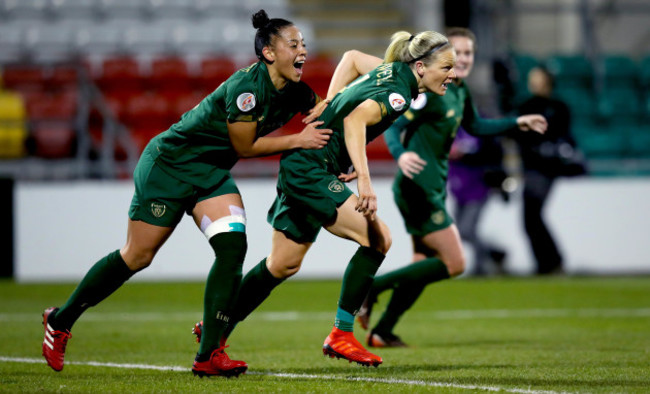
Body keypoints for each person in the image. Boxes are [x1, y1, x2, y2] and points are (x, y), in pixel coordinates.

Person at [41, 10, 334, 378]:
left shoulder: (298, 91)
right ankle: (61, 320)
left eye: (304, 44)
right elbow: (243, 146)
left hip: (209, 175)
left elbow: (327, 117)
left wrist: (342, 157)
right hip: (168, 166)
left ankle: (208, 354)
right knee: (137, 255)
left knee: (233, 247)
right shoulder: (246, 88)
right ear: (269, 53)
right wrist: (299, 140)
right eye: (294, 44)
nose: (303, 51)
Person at [193, 29, 457, 367]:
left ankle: (216, 329)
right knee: (379, 238)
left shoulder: (391, 68)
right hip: (310, 166)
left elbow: (350, 58)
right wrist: (364, 180)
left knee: (283, 262)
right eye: (447, 67)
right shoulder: (399, 93)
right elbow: (356, 120)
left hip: (311, 165)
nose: (452, 74)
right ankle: (341, 335)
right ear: (420, 66)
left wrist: (327, 105)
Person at [356, 27, 547, 348]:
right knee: (455, 263)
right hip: (418, 187)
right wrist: (401, 156)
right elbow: (392, 123)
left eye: (469, 53)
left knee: (422, 267)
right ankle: (371, 289)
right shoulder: (428, 92)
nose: (464, 59)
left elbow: (476, 126)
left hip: (433, 186)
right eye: (457, 54)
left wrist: (516, 123)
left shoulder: (458, 91)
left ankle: (382, 331)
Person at [515, 66, 584, 275]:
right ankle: (548, 262)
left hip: (545, 169)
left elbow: (563, 136)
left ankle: (550, 262)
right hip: (532, 167)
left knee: (531, 216)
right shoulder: (526, 106)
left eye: (537, 77)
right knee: (531, 217)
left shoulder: (557, 107)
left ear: (547, 80)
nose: (533, 80)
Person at [448, 126, 509, 276]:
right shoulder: (448, 125)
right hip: (458, 186)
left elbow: (491, 154)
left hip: (478, 187)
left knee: (466, 229)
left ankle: (481, 267)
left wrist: (464, 155)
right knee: (461, 232)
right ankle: (496, 253)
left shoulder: (480, 126)